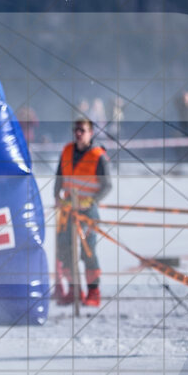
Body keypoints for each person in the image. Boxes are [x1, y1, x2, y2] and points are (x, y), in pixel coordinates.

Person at [53, 119, 111, 307]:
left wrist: (92, 200)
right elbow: (59, 177)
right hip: (68, 208)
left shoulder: (98, 155)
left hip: (88, 211)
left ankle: (93, 292)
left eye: (83, 130)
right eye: (76, 130)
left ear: (90, 133)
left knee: (88, 251)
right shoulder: (67, 151)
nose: (78, 133)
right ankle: (73, 290)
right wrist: (57, 196)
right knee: (65, 249)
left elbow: (107, 185)